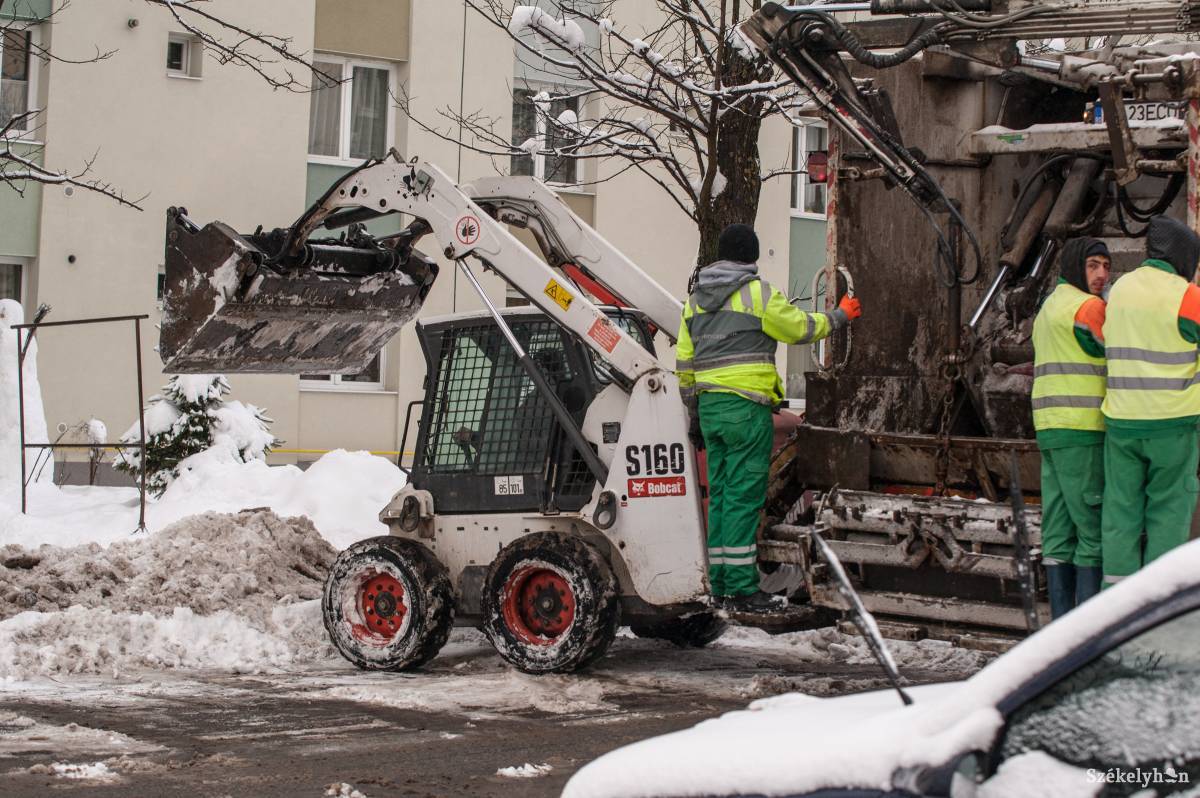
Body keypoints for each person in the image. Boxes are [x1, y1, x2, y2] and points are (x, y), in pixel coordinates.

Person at [676, 223, 861, 612]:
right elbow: (798, 328)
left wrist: (694, 413)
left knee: (723, 497)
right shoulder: (756, 294)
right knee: (744, 498)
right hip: (745, 409)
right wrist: (840, 316)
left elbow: (685, 363)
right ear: (751, 257)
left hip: (711, 410)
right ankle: (744, 588)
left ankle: (723, 582)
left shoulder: (695, 300)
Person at [1101, 215, 1200, 587]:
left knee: (1121, 511)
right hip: (1172, 426)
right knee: (1169, 510)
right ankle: (1156, 606)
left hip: (1122, 423)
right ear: (1184, 257)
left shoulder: (1120, 289)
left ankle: (1114, 604)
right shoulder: (1186, 295)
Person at [1031, 238, 1110, 619]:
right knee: (1092, 532)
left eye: (1106, 267)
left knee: (1058, 532)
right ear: (1078, 265)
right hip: (1083, 429)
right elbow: (1114, 351)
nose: (1101, 275)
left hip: (1049, 429)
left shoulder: (1049, 305)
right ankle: (1086, 632)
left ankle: (1060, 627)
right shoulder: (1089, 307)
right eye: (1093, 265)